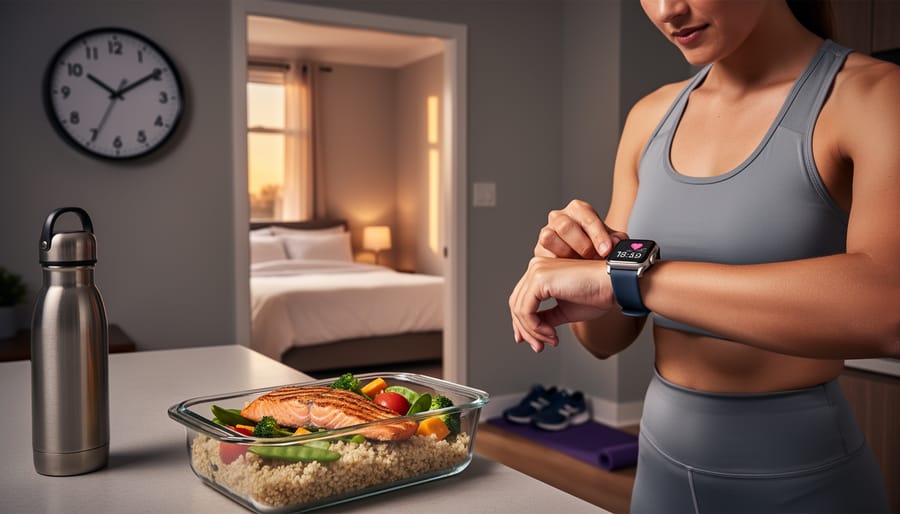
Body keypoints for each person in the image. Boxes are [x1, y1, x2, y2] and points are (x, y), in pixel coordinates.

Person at [508, 0, 898, 512]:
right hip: (659, 472)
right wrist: (580, 265)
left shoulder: (873, 96)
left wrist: (631, 280)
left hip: (802, 480)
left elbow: (887, 306)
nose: (669, 9)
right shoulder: (650, 116)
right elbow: (606, 338)